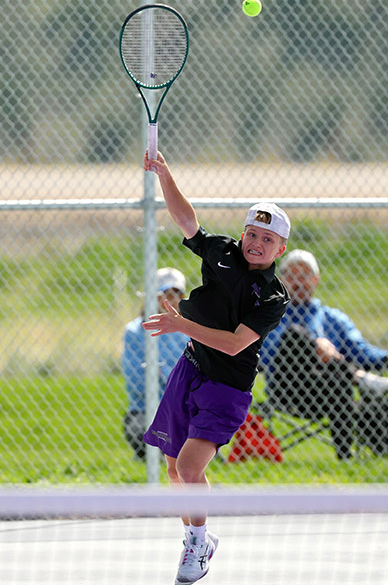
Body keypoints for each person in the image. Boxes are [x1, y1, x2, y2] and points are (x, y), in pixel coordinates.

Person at [140, 150, 290, 585]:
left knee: (190, 469)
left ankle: (195, 547)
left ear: (280, 249)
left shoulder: (272, 296)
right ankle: (197, 538)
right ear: (243, 233)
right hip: (190, 370)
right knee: (173, 469)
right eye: (252, 232)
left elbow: (233, 344)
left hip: (226, 388)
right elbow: (189, 224)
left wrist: (180, 324)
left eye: (267, 239)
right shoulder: (222, 251)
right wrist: (165, 174)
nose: (256, 242)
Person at [259, 249, 388, 460]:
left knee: (351, 388)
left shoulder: (332, 318)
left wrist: (386, 358)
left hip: (326, 390)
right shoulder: (270, 316)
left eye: (304, 275)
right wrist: (316, 345)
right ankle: (360, 378)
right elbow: (264, 355)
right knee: (295, 335)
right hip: (288, 388)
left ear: (316, 280)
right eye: (292, 275)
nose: (298, 281)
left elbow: (359, 349)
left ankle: (347, 458)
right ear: (282, 280)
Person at [122, 267, 189, 460]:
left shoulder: (187, 329)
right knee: (138, 427)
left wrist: (161, 372)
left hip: (183, 407)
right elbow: (137, 382)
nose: (170, 302)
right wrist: (174, 377)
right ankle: (158, 454)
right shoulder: (134, 331)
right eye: (164, 295)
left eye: (177, 295)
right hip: (147, 408)